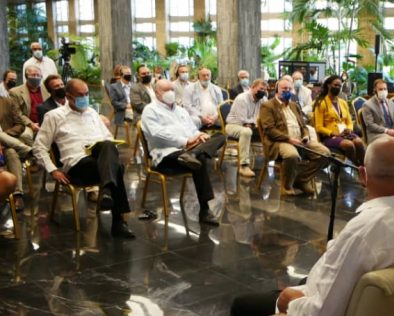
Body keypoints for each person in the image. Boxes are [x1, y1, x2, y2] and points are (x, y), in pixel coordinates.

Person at [229, 137, 394, 316]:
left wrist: (288, 301)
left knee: (242, 306)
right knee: (300, 283)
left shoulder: (363, 233)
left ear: (363, 175)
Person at [33, 79, 135, 239]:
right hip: (77, 166)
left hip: (99, 163)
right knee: (117, 168)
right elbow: (39, 147)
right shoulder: (54, 116)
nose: (85, 98)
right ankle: (117, 220)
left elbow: (108, 136)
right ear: (68, 96)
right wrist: (53, 170)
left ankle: (109, 196)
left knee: (108, 145)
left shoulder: (93, 113)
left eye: (87, 94)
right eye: (80, 95)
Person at [141, 80, 226, 225]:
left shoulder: (181, 110)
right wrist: (185, 141)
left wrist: (199, 135)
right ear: (157, 93)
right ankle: (204, 210)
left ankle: (193, 155)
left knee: (221, 136)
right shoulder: (150, 110)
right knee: (200, 160)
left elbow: (192, 129)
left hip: (189, 152)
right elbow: (157, 133)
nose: (170, 93)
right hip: (166, 155)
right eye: (166, 90)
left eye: (172, 90)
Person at [258, 78, 330, 196]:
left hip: (300, 140)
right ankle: (286, 187)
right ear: (277, 90)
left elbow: (303, 126)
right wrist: (289, 139)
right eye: (284, 89)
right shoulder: (268, 106)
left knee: (325, 153)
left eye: (289, 89)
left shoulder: (294, 105)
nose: (287, 91)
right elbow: (269, 130)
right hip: (280, 141)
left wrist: (306, 136)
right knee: (292, 155)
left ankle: (301, 180)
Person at [313, 75, 366, 166]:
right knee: (349, 145)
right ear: (329, 85)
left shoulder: (343, 102)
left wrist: (349, 129)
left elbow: (349, 121)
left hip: (345, 132)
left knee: (359, 142)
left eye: (339, 86)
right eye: (335, 85)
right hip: (330, 135)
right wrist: (333, 133)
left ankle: (363, 167)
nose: (337, 87)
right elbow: (319, 127)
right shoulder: (321, 103)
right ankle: (354, 167)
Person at [225, 79, 268, 178]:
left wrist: (256, 123)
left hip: (252, 126)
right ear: (252, 87)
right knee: (246, 132)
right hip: (233, 125)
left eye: (265, 89)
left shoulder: (263, 99)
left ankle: (278, 160)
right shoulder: (242, 98)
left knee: (269, 129)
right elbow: (243, 120)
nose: (263, 91)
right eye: (261, 89)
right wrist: (255, 123)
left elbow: (264, 116)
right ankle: (244, 166)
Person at [0, 96, 34, 210]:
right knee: (12, 150)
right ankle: (28, 151)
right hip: (7, 144)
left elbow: (20, 124)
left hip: (7, 143)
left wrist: (5, 135)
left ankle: (17, 194)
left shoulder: (7, 101)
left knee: (11, 152)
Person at [10, 65, 48, 136]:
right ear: (26, 76)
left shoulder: (47, 89)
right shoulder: (15, 92)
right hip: (28, 124)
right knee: (26, 136)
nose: (36, 77)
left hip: (47, 122)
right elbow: (17, 113)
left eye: (38, 75)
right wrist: (31, 124)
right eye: (33, 75)